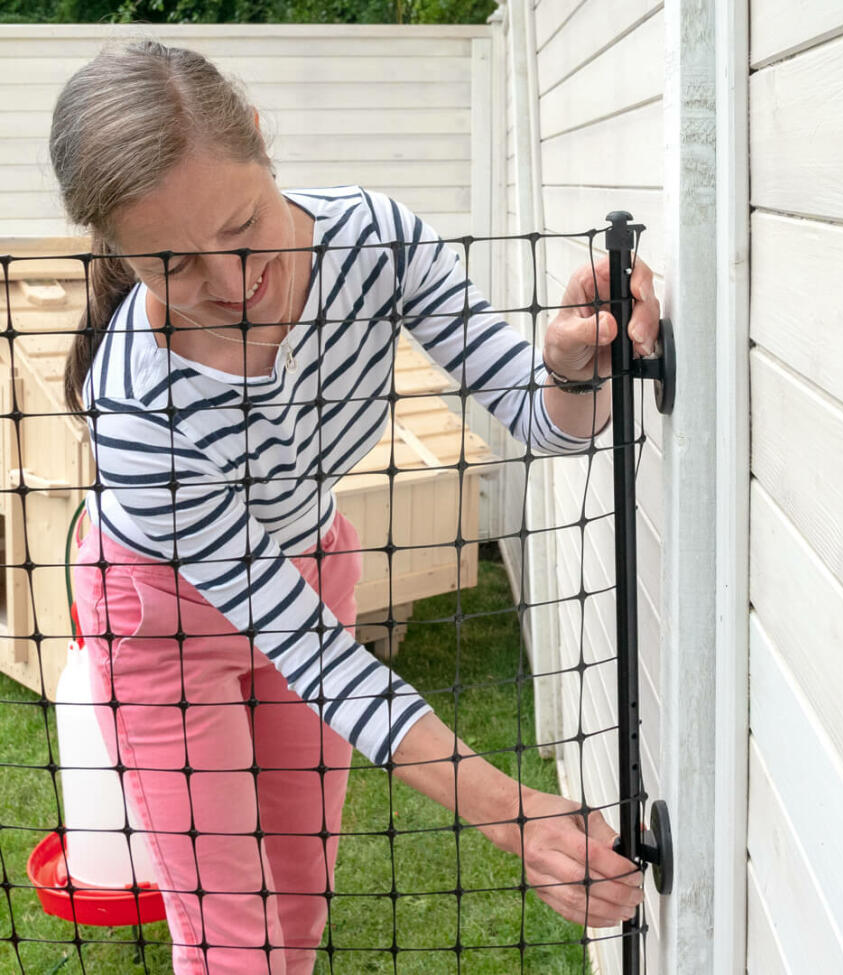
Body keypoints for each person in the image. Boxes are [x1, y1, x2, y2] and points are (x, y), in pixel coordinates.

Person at [52, 39, 661, 975]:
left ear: (261, 141)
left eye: (241, 224)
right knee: (233, 938)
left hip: (312, 561)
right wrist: (515, 816)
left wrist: (575, 365)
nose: (230, 283)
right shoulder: (136, 408)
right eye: (175, 266)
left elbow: (543, 418)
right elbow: (314, 656)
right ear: (119, 253)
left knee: (299, 899)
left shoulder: (374, 238)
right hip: (160, 617)